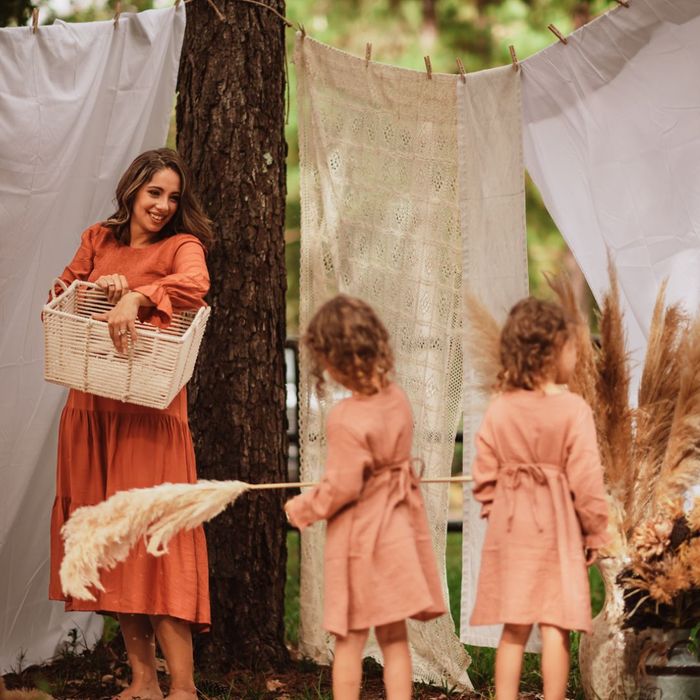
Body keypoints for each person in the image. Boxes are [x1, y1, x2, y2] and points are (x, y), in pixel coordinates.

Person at [48, 148, 213, 700]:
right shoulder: (99, 240)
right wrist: (103, 290)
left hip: (150, 415)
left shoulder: (182, 245)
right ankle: (143, 680)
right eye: (153, 193)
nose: (164, 205)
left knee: (154, 540)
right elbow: (60, 297)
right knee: (114, 541)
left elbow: (195, 285)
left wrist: (141, 293)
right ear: (132, 191)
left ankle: (184, 687)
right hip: (94, 410)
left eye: (173, 196)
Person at [284, 294, 446, 700]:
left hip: (361, 542)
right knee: (394, 637)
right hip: (398, 533)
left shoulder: (347, 418)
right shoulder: (397, 398)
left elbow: (342, 487)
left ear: (333, 361)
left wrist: (303, 506)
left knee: (350, 639)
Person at [469, 297, 610, 700]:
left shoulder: (500, 409)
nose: (576, 355)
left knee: (513, 629)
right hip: (557, 531)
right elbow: (586, 479)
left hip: (511, 531)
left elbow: (483, 472)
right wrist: (594, 531)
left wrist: (498, 510)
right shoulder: (572, 410)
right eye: (571, 347)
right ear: (550, 353)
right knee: (555, 625)